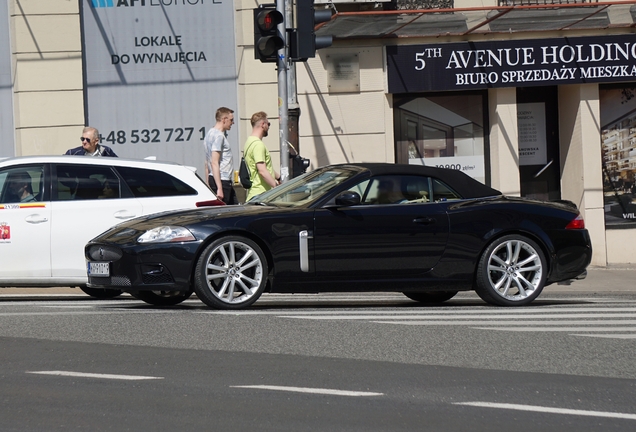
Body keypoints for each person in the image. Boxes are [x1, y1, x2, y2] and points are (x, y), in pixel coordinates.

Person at [203, 107, 238, 205]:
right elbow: (214, 162)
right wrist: (219, 188)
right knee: (226, 212)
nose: (233, 123)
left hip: (214, 179)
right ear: (224, 120)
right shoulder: (219, 136)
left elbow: (207, 162)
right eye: (231, 120)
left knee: (235, 209)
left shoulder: (209, 134)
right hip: (222, 180)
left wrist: (208, 183)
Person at [244, 111, 280, 202]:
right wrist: (277, 188)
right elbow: (262, 171)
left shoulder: (249, 142)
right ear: (263, 124)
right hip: (261, 194)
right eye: (269, 124)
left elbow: (265, 166)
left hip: (255, 194)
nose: (268, 127)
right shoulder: (258, 145)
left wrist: (278, 177)